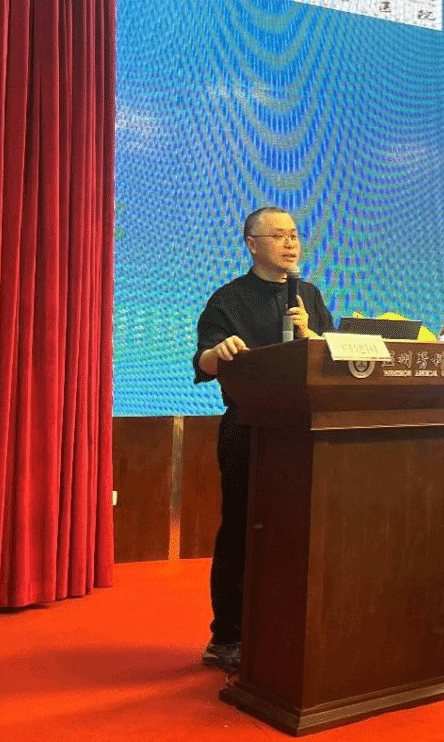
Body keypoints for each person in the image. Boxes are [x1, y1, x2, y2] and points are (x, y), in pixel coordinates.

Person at [192, 207, 334, 672]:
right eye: (279, 236)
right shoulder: (228, 299)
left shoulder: (309, 295)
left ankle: (287, 629)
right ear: (252, 244)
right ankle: (227, 637)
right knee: (241, 530)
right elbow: (204, 361)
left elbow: (334, 355)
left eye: (294, 235)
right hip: (249, 428)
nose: (291, 243)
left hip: (305, 430)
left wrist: (311, 334)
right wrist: (217, 352)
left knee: (299, 531)